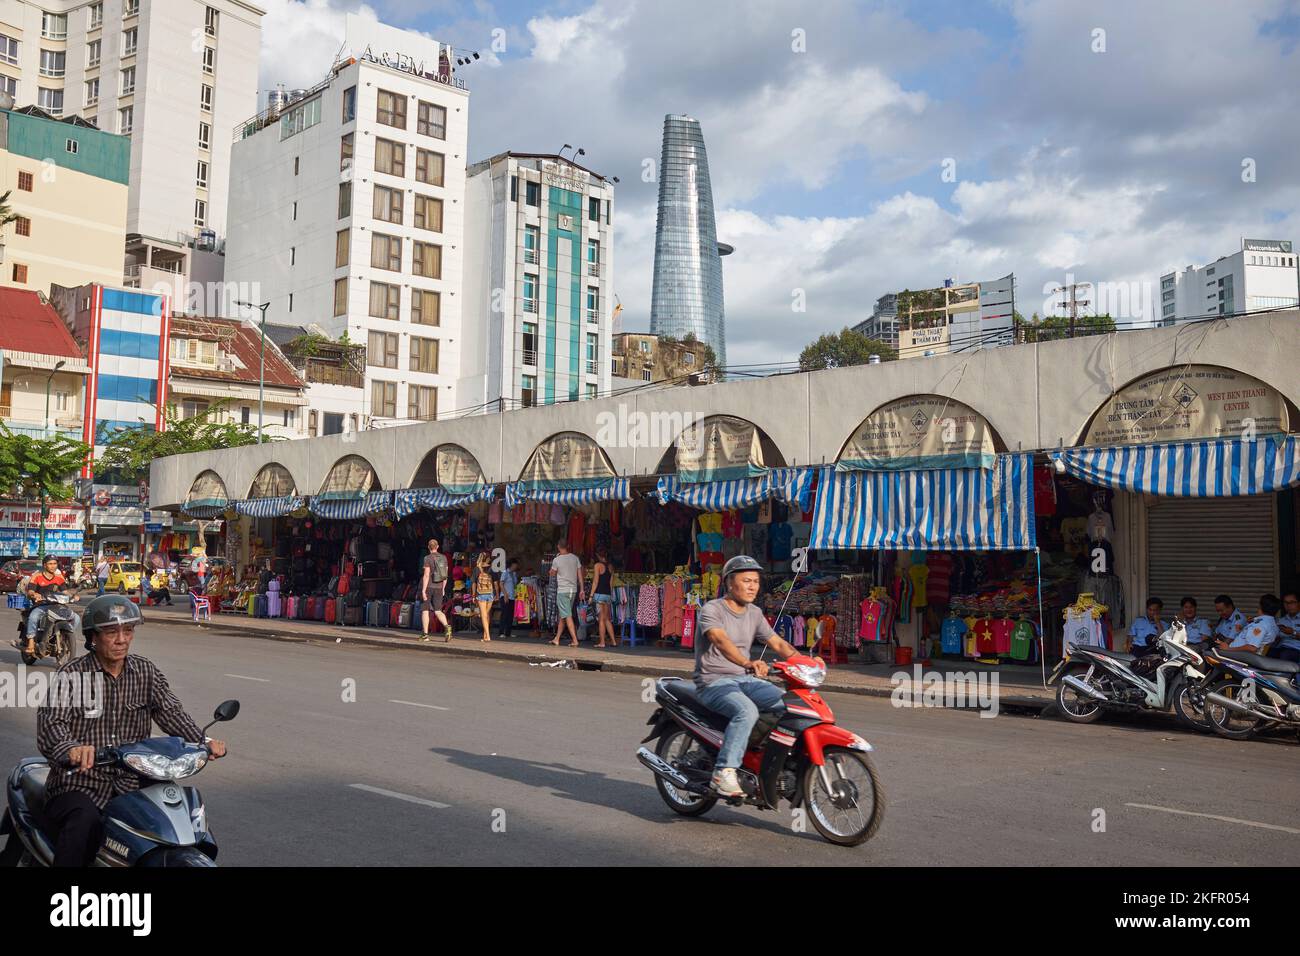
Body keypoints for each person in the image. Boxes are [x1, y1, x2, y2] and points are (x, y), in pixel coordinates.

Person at [30, 595, 227, 866]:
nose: (121, 639)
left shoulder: (145, 672)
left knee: (181, 816)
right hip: (81, 783)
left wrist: (202, 741)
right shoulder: (71, 676)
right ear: (93, 637)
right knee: (83, 823)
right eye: (111, 631)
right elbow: (52, 725)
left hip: (135, 780)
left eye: (128, 630)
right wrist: (73, 750)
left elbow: (170, 712)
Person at [695, 555, 820, 799]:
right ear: (730, 583)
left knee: (790, 705)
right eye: (746, 581)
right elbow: (720, 640)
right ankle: (723, 771)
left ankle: (759, 756)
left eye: (755, 581)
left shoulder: (754, 613)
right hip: (713, 682)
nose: (753, 586)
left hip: (744, 680)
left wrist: (807, 663)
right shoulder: (712, 609)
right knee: (747, 712)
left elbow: (777, 643)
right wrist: (747, 662)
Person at [15, 555, 81, 658]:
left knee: (76, 618)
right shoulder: (37, 576)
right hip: (42, 605)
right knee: (33, 616)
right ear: (44, 565)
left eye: (54, 563)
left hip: (57, 605)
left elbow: (65, 591)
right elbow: (30, 591)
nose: (53, 566)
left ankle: (64, 636)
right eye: (50, 564)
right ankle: (31, 642)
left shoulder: (59, 577)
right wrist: (34, 594)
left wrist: (73, 595)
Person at [548, 541, 584, 648]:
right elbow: (580, 575)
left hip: (563, 591)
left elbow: (552, 573)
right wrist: (582, 589)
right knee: (563, 615)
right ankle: (557, 638)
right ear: (567, 546)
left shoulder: (556, 560)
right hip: (573, 590)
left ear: (558, 547)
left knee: (567, 615)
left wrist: (553, 569)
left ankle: (575, 640)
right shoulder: (575, 558)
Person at [419, 538, 453, 643]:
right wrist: (443, 589)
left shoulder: (427, 558)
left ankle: (425, 635)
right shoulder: (444, 558)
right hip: (439, 588)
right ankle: (447, 627)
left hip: (429, 587)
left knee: (425, 611)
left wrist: (423, 591)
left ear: (428, 547)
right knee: (438, 610)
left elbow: (426, 575)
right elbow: (445, 576)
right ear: (438, 547)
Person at [591, 550, 618, 648]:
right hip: (607, 595)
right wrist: (610, 596)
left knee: (601, 620)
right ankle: (614, 641)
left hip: (599, 595)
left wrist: (590, 596)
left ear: (598, 555)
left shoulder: (597, 566)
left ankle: (602, 642)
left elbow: (595, 582)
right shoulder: (611, 567)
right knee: (607, 619)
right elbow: (611, 584)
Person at [472, 552, 499, 642]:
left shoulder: (476, 569)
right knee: (487, 614)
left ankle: (487, 635)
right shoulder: (492, 569)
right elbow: (495, 583)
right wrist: (497, 595)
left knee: (483, 615)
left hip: (481, 594)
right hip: (490, 594)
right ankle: (485, 634)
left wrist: (473, 595)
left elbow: (474, 583)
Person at [1273, 591, 1300, 663]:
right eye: (1286, 602)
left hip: (1296, 649)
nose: (1288, 605)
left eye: (1292, 602)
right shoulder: (1280, 621)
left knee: (1285, 655)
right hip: (1281, 649)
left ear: (1298, 603)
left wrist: (1293, 632)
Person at [498, 558, 519, 640]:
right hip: (505, 596)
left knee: (510, 615)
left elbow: (514, 585)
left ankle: (508, 632)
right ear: (512, 564)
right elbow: (501, 584)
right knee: (504, 614)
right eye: (515, 564)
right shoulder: (505, 572)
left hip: (512, 596)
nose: (516, 566)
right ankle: (501, 632)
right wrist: (505, 594)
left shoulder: (514, 574)